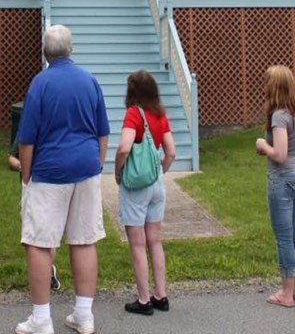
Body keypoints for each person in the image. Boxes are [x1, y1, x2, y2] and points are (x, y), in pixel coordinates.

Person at [15, 24, 110, 334]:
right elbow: (103, 131)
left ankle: (41, 319)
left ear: (46, 52)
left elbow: (27, 139)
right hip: (85, 167)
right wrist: (97, 164)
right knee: (83, 239)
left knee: (40, 243)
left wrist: (26, 175)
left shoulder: (40, 84)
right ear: (71, 50)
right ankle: (84, 315)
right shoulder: (90, 81)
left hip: (50, 169)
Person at [114, 70, 176, 316]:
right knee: (155, 240)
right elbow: (171, 152)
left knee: (137, 244)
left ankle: (143, 300)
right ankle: (161, 295)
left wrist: (118, 173)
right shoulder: (161, 114)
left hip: (137, 186)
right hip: (157, 183)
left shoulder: (134, 114)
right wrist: (159, 171)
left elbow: (123, 148)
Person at [255, 65, 295, 308]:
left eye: (266, 82)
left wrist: (262, 146)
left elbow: (279, 154)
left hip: (282, 180)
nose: (263, 86)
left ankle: (286, 293)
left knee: (284, 238)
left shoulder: (278, 116)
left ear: (274, 86)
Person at [9, 134, 60, 291]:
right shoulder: (25, 131)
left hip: (49, 186)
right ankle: (39, 272)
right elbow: (12, 158)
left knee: (47, 233)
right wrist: (21, 165)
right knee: (30, 233)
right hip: (29, 187)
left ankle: (48, 272)